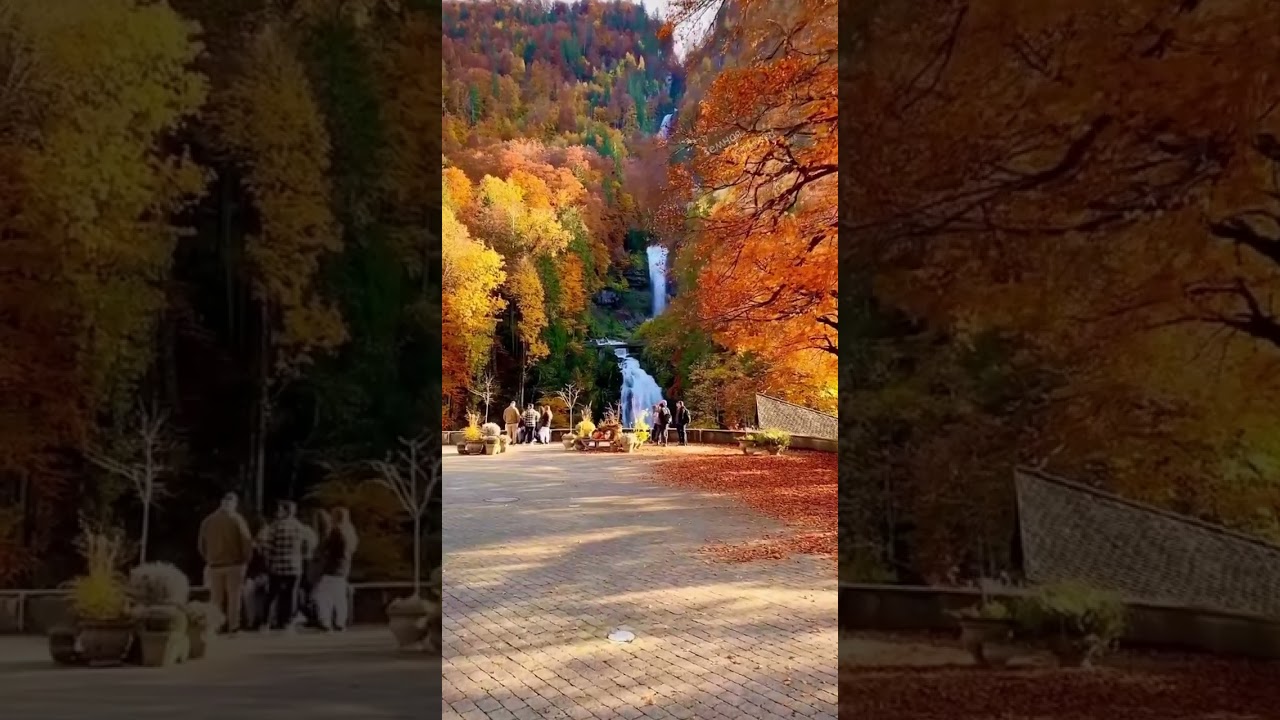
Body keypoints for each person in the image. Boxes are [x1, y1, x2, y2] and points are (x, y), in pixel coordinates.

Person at [197, 492, 254, 635]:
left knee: (216, 598)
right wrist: (246, 560)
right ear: (234, 503)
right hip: (234, 564)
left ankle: (215, 626)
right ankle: (233, 626)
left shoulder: (208, 521)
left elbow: (201, 544)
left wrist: (209, 558)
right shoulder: (237, 519)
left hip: (215, 564)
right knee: (234, 598)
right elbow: (246, 542)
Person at [256, 500, 313, 632]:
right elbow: (309, 544)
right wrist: (303, 556)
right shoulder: (300, 527)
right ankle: (288, 622)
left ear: (284, 511)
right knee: (291, 594)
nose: (278, 512)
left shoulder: (274, 527)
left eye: (280, 510)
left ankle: (266, 622)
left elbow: (267, 546)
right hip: (294, 566)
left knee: (272, 594)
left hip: (277, 566)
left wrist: (269, 561)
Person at [314, 507, 359, 631]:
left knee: (321, 595)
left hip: (332, 568)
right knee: (339, 597)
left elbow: (326, 548)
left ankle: (325, 621)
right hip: (344, 568)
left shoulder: (336, 531)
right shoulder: (350, 531)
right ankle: (340, 622)